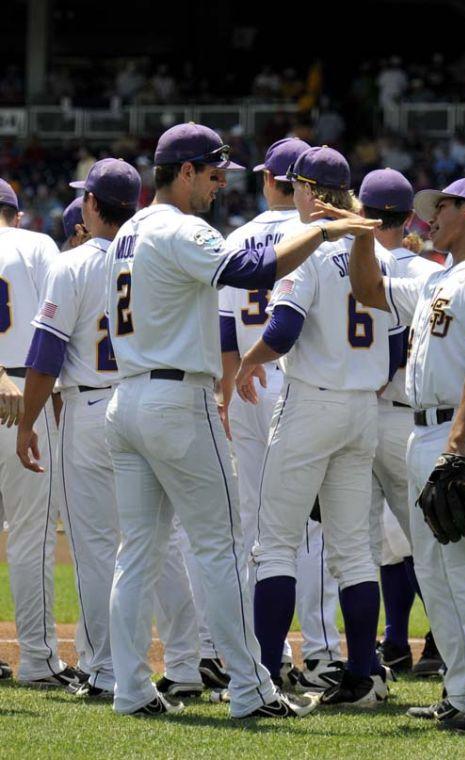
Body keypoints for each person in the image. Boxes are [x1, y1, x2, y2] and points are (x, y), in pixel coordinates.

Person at [92, 124, 379, 718]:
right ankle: (251, 691)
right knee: (218, 548)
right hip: (176, 398)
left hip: (128, 399)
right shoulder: (181, 225)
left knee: (136, 554)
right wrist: (321, 228)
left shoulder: (129, 230)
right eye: (215, 173)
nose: (221, 185)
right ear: (187, 170)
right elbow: (251, 272)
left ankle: (130, 689)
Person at [339, 175, 465, 733]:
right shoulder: (441, 278)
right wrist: (358, 233)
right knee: (437, 570)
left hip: (463, 431)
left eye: (440, 207)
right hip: (424, 431)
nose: (430, 217)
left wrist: (455, 446)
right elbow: (369, 290)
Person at [17, 158, 205, 701]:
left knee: (98, 546)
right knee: (162, 541)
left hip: (93, 410)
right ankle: (188, 664)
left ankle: (103, 669)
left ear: (92, 205)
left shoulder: (73, 263)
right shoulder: (152, 252)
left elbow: (47, 353)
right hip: (153, 397)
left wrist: (28, 422)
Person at [235, 146, 397, 707]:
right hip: (361, 407)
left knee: (275, 545)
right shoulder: (372, 248)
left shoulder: (308, 248)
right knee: (354, 551)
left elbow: (282, 328)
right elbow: (397, 343)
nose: (297, 195)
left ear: (309, 192)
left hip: (311, 402)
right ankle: (362, 674)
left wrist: (250, 360)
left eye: (300, 187)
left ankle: (262, 679)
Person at [219, 137, 343, 691]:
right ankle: (320, 650)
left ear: (273, 179)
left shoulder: (237, 237)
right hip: (303, 381)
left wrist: (228, 387)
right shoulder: (323, 238)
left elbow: (224, 329)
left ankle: (251, 650)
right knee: (311, 527)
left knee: (254, 525)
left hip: (248, 382)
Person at [357, 168, 442, 674]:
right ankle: (434, 642)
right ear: (409, 216)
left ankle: (374, 652)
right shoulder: (431, 271)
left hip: (364, 409)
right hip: (412, 415)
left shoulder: (352, 260)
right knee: (428, 538)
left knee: (365, 543)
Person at [0, 178, 83, 688]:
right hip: (25, 392)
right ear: (15, 211)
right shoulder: (35, 245)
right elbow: (60, 328)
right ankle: (37, 660)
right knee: (30, 538)